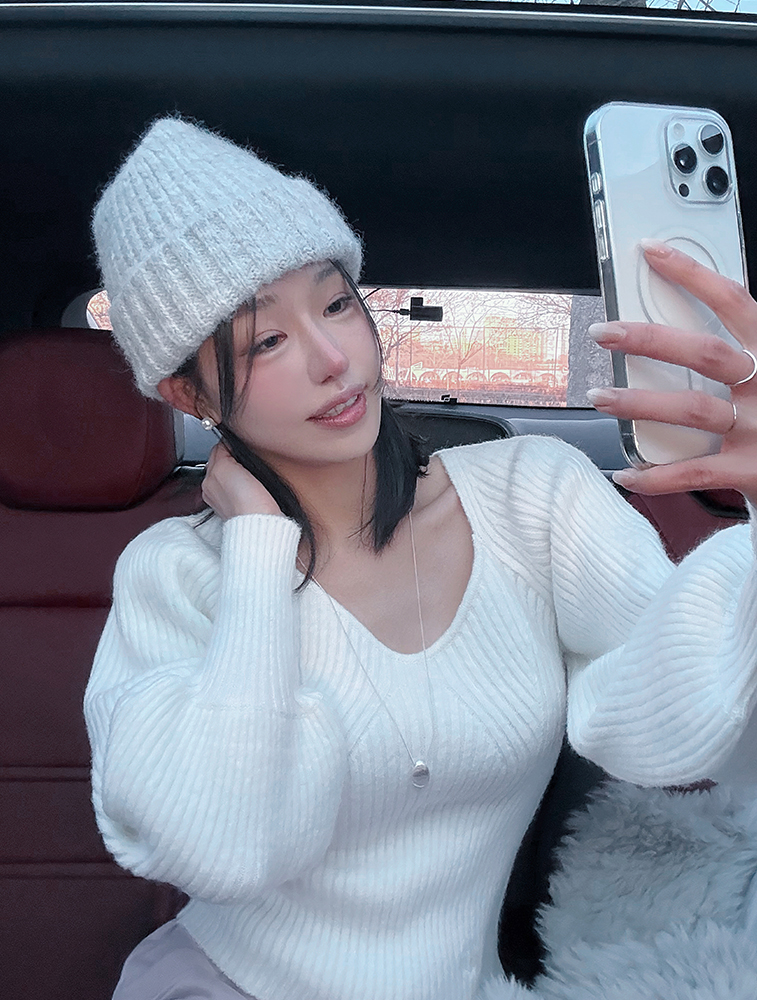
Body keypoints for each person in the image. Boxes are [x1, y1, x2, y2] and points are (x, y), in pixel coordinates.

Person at [84, 115, 757, 1000]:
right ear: (187, 392)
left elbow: (680, 725)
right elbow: (227, 846)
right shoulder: (175, 575)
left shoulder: (533, 496)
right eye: (265, 341)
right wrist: (254, 546)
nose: (335, 359)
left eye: (335, 304)